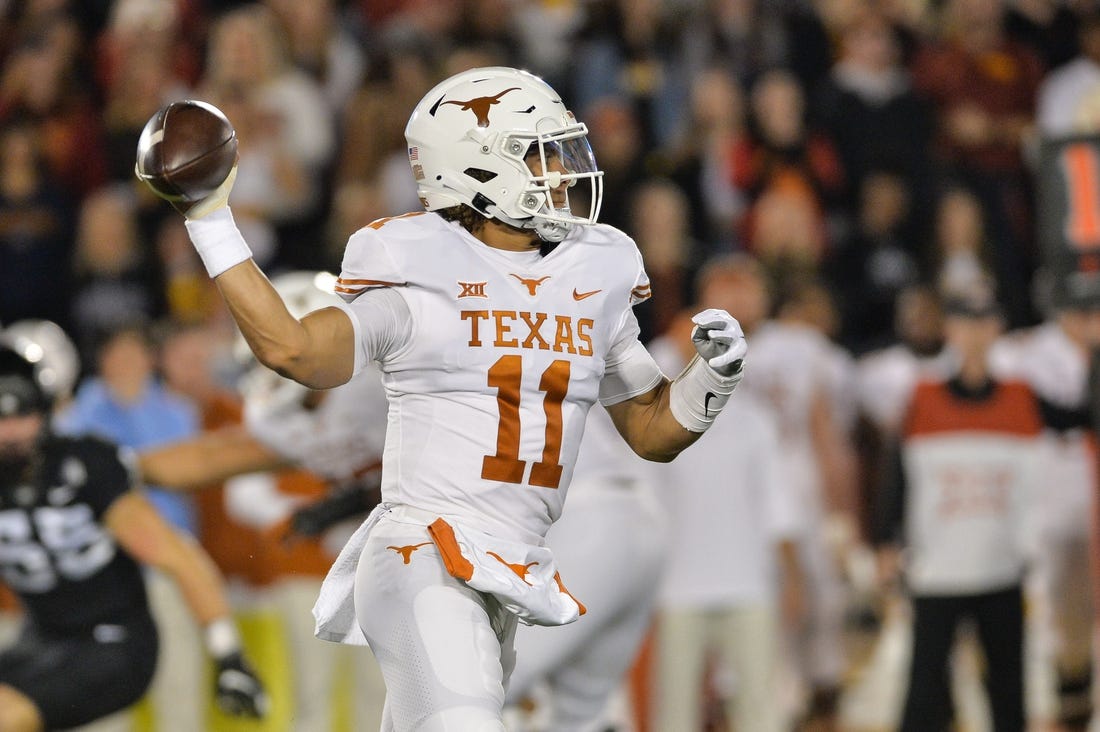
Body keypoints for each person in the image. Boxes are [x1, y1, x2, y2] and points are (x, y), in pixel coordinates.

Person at [139, 65, 748, 730]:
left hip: (519, 566)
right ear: (478, 170)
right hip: (424, 555)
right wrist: (210, 218)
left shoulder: (591, 271)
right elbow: (292, 349)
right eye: (539, 155)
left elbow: (651, 433)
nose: (563, 173)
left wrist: (709, 383)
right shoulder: (416, 271)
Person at [0, 340, 267, 732]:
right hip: (42, 639)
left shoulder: (84, 464)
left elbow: (175, 555)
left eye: (20, 412)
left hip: (115, 642)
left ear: (46, 409)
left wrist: (227, 653)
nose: (9, 430)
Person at [873, 287, 1042, 732]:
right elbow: (895, 475)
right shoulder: (922, 397)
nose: (975, 334)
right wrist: (886, 541)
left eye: (984, 322)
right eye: (965, 322)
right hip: (938, 568)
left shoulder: (1023, 398)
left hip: (1002, 566)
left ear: (998, 328)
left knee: (1008, 693)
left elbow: (1078, 418)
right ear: (951, 329)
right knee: (925, 692)